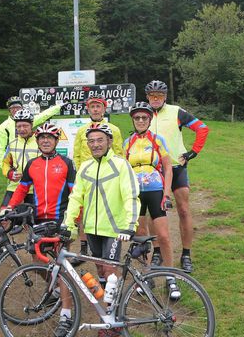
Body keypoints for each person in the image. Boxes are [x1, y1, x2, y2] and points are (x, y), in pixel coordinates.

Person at [64, 123, 140, 337]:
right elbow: (76, 197)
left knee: (109, 271)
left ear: (109, 142)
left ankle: (112, 318)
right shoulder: (85, 167)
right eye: (91, 141)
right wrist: (67, 223)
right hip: (91, 228)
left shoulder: (120, 164)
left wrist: (130, 224)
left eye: (100, 140)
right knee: (100, 272)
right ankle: (111, 304)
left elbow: (130, 195)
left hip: (115, 229)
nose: (95, 144)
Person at [4, 123, 76, 337]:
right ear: (38, 141)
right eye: (42, 137)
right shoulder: (32, 164)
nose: (45, 141)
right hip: (38, 220)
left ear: (56, 141)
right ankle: (54, 290)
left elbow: (75, 194)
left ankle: (66, 314)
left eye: (50, 138)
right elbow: (22, 188)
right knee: (37, 262)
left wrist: (73, 221)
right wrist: (8, 207)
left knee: (61, 267)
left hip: (59, 220)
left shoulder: (66, 163)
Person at [145, 80, 209, 273]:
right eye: (152, 96)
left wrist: (193, 151)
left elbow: (202, 128)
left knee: (183, 209)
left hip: (177, 166)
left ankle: (186, 254)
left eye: (159, 96)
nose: (156, 99)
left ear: (165, 97)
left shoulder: (176, 112)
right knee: (153, 211)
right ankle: (156, 251)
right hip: (154, 169)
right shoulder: (143, 114)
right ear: (147, 97)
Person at [123, 102, 180, 300]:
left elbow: (168, 167)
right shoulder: (127, 142)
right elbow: (123, 170)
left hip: (155, 190)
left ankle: (171, 277)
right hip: (135, 193)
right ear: (133, 119)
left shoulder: (157, 140)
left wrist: (166, 193)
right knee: (141, 237)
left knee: (163, 236)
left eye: (144, 118)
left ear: (149, 119)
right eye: (137, 118)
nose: (140, 121)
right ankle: (148, 275)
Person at [71, 97, 124, 259]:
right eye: (92, 107)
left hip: (107, 178)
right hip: (87, 177)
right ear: (88, 109)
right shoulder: (82, 130)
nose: (95, 109)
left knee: (107, 209)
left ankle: (109, 246)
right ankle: (84, 247)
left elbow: (120, 154)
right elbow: (77, 154)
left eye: (98, 106)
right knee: (85, 211)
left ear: (104, 109)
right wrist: (81, 173)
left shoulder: (113, 129)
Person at [0, 96, 63, 169]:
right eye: (12, 108)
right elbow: (1, 148)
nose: (15, 110)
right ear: (9, 110)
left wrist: (58, 107)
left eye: (18, 107)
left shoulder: (27, 120)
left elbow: (43, 116)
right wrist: (4, 168)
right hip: (13, 157)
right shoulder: (4, 126)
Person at [0, 109, 40, 207]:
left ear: (32, 125)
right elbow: (5, 163)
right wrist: (9, 173)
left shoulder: (40, 142)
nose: (22, 129)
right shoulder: (12, 144)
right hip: (15, 186)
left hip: (34, 188)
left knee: (31, 220)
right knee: (4, 216)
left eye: (25, 126)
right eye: (18, 126)